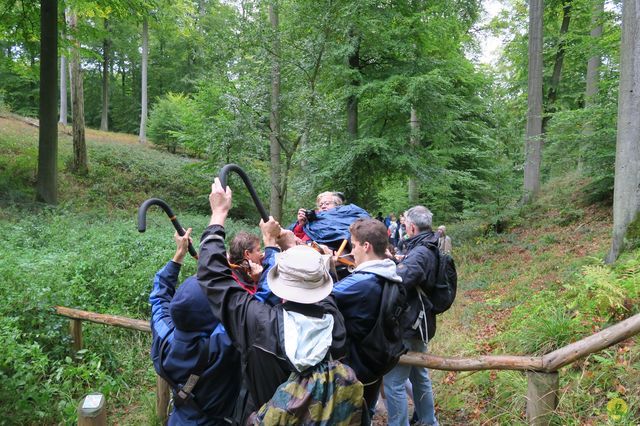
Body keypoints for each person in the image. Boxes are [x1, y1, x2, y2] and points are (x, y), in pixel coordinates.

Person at [197, 178, 356, 417]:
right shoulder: (335, 320)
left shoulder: (260, 322)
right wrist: (289, 247)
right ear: (321, 287)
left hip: (266, 414)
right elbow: (318, 287)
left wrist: (219, 214)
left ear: (279, 285)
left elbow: (213, 277)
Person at [149, 228, 242, 425]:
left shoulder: (164, 335)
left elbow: (159, 296)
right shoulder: (222, 344)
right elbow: (247, 310)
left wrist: (179, 255)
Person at [332, 218, 403, 420]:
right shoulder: (391, 272)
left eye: (353, 245)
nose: (351, 251)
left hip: (356, 369)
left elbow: (322, 297)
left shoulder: (362, 283)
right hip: (375, 364)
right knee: (366, 413)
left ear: (366, 246)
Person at [384, 206, 440, 426]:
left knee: (394, 382)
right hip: (420, 321)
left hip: (409, 323)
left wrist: (388, 266)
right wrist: (398, 260)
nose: (405, 226)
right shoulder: (428, 245)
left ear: (412, 227)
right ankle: (429, 421)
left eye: (406, 223)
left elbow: (403, 279)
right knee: (419, 376)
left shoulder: (420, 252)